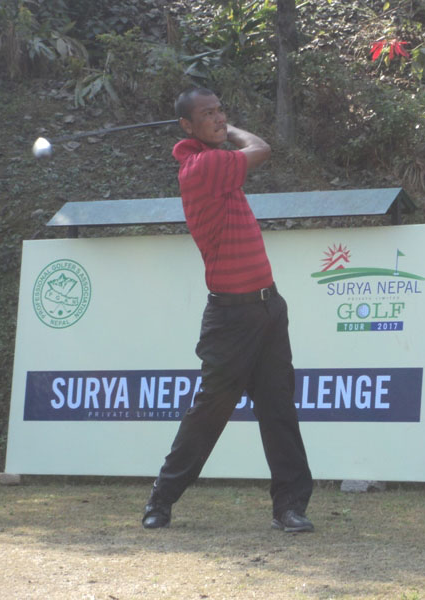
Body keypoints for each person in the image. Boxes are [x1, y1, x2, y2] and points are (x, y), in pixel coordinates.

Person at [141, 87, 314, 533]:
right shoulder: (201, 168)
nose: (219, 118)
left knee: (278, 409)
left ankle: (289, 507)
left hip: (268, 307)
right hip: (231, 319)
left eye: (222, 111)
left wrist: (217, 128)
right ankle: (162, 497)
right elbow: (261, 148)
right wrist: (232, 130)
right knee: (210, 413)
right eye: (209, 114)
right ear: (187, 126)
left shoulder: (212, 161)